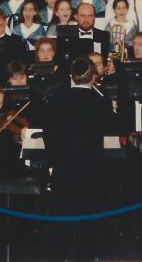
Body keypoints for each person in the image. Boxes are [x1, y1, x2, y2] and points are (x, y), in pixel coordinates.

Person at [43, 57, 116, 261]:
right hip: (91, 170)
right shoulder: (101, 102)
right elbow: (111, 128)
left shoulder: (55, 100)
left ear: (70, 76)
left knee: (59, 224)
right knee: (88, 225)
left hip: (63, 168)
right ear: (93, 77)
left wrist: (52, 164)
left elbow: (49, 136)